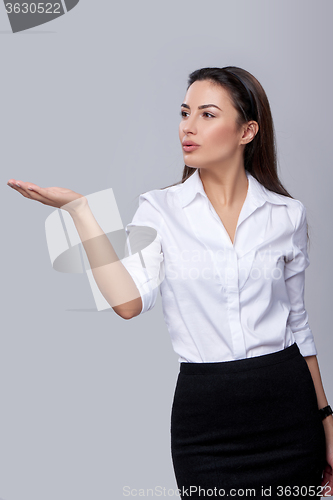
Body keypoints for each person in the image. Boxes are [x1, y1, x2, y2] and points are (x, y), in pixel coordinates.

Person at [7, 66, 333, 499]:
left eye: (207, 115)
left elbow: (298, 325)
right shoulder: (159, 210)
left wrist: (326, 419)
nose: (188, 127)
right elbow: (129, 303)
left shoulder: (286, 215)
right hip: (207, 421)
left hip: (287, 409)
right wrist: (81, 212)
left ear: (247, 131)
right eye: (185, 113)